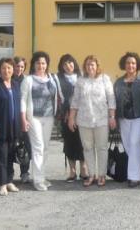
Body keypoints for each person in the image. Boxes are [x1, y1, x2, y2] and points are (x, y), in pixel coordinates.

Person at [68, 55, 116, 187]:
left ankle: (101, 175)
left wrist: (112, 117)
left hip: (101, 120)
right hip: (84, 120)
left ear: (97, 66)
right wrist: (72, 118)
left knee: (101, 148)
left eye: (92, 64)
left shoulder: (105, 80)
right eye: (88, 64)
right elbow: (75, 101)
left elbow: (111, 99)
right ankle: (91, 175)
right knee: (87, 148)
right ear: (85, 67)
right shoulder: (80, 81)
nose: (90, 67)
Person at [20, 51, 63, 191]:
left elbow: (58, 96)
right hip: (34, 118)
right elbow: (22, 100)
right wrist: (23, 119)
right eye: (38, 63)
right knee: (38, 147)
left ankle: (42, 176)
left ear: (47, 65)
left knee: (45, 148)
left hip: (49, 117)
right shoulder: (28, 80)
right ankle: (38, 180)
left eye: (43, 63)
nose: (41, 65)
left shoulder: (52, 78)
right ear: (34, 64)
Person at [0, 58, 21, 196]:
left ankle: (9, 181)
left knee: (11, 155)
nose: (7, 71)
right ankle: (1, 184)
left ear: (13, 69)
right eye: (4, 68)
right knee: (1, 156)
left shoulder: (16, 84)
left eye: (9, 68)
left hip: (14, 127)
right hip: (0, 127)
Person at [114, 52, 140, 187]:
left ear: (137, 65)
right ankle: (134, 172)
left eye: (133, 63)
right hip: (124, 117)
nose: (130, 65)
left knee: (134, 143)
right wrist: (114, 118)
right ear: (124, 64)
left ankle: (134, 177)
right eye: (128, 63)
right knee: (129, 145)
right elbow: (115, 100)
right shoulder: (119, 82)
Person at [57, 54, 87, 182]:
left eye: (70, 63)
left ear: (74, 64)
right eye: (65, 64)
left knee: (83, 142)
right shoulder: (58, 79)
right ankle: (72, 171)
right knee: (69, 143)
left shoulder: (82, 78)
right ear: (62, 67)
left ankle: (84, 169)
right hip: (66, 116)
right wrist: (65, 113)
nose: (68, 66)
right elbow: (58, 98)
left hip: (83, 115)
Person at [12, 56, 31, 183]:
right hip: (11, 118)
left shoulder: (27, 81)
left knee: (25, 146)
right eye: (17, 66)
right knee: (11, 146)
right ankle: (9, 172)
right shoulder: (7, 80)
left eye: (22, 67)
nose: (19, 69)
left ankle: (24, 173)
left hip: (24, 118)